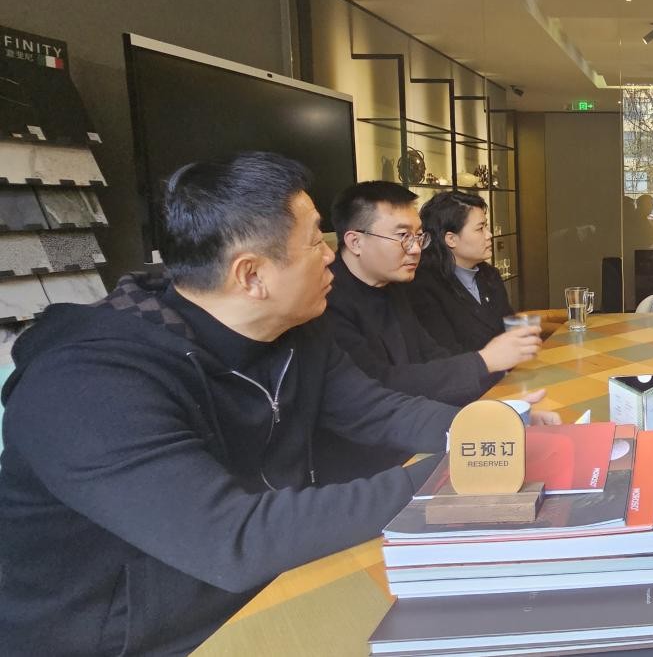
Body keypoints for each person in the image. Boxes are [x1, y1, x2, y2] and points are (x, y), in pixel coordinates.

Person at [0, 153, 466, 655]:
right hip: (128, 641)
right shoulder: (87, 384)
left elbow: (380, 411)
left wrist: (493, 431)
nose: (331, 255)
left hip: (258, 593)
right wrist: (461, 472)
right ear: (251, 275)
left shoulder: (298, 330)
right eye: (316, 240)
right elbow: (234, 538)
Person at [320, 181, 546, 480]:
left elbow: (431, 354)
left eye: (418, 236)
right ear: (355, 242)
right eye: (403, 236)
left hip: (421, 437)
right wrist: (484, 362)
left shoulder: (394, 286)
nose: (416, 249)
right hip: (371, 468)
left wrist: (496, 412)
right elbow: (378, 386)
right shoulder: (326, 302)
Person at [406, 191, 513, 353]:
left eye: (486, 226)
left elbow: (510, 330)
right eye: (480, 228)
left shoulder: (490, 275)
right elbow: (445, 354)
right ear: (451, 239)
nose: (489, 235)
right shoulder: (423, 287)